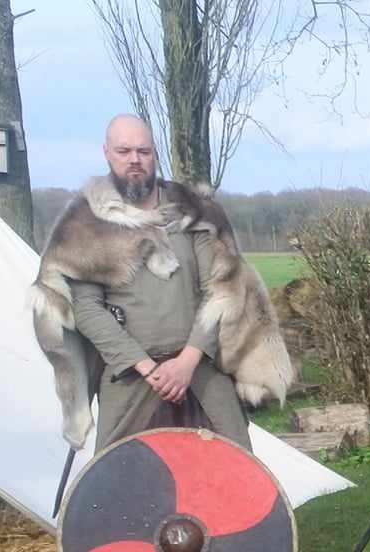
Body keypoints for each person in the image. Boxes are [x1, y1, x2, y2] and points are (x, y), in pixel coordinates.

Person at [37, 114, 252, 452]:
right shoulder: (86, 223)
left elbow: (221, 290)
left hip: (200, 366)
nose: (134, 160)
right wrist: (149, 369)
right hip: (130, 373)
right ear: (107, 153)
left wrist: (187, 361)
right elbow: (86, 308)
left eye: (143, 151)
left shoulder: (193, 210)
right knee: (115, 473)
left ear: (155, 154)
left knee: (235, 467)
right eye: (124, 151)